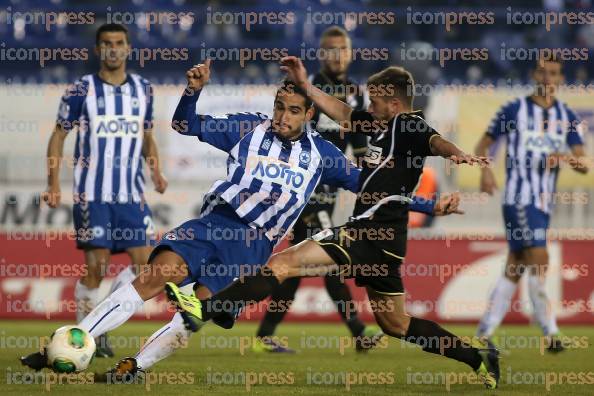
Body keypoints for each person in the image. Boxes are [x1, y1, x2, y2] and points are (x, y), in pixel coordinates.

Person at [21, 59, 456, 375]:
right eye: (278, 106)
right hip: (215, 224)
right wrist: (192, 92)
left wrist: (428, 204)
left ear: (309, 115)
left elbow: (373, 189)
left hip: (254, 248)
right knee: (154, 276)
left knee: (194, 314)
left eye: (291, 110)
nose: (281, 116)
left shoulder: (324, 155)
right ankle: (74, 339)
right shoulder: (247, 129)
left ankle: (135, 366)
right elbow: (185, 127)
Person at [166, 57, 501, 389]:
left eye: (375, 101)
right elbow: (344, 113)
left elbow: (434, 141)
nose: (368, 107)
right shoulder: (381, 126)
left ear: (395, 103)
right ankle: (478, 358)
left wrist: (454, 152)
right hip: (387, 243)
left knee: (283, 263)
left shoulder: (408, 125)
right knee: (395, 323)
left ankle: (208, 308)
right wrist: (306, 85)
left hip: (368, 232)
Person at [34, 23, 167, 358]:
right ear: (98, 49)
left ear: (128, 48)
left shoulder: (143, 89)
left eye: (119, 43)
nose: (113, 48)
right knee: (98, 265)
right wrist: (52, 183)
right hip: (92, 194)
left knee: (145, 268)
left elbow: (146, 135)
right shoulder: (81, 90)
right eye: (106, 43)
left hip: (131, 195)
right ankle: (86, 333)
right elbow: (58, 136)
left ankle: (95, 327)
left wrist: (156, 171)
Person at [253, 26, 380, 354]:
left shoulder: (355, 94)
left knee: (296, 267)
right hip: (301, 191)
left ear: (350, 53)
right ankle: (358, 332)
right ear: (322, 53)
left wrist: (371, 189)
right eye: (331, 49)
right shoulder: (308, 89)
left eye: (343, 49)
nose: (337, 55)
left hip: (331, 193)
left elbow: (360, 147)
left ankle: (264, 334)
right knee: (331, 259)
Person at [475, 56, 588, 352]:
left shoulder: (567, 116)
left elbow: (584, 163)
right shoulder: (514, 109)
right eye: (543, 72)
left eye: (554, 73)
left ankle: (484, 332)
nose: (548, 78)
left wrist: (563, 157)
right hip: (518, 198)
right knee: (540, 258)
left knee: (516, 265)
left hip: (543, 204)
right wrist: (486, 171)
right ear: (534, 75)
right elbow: (483, 144)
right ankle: (551, 333)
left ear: (561, 79)